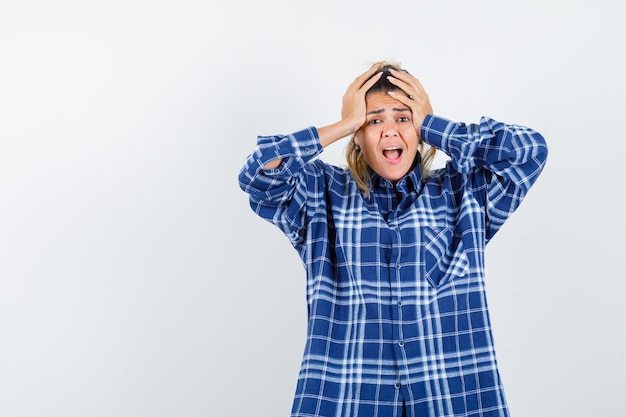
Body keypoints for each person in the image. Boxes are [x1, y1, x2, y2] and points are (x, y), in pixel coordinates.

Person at [238, 61, 548, 417]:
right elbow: (259, 173)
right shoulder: (318, 194)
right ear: (358, 134)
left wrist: (433, 124)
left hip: (454, 400)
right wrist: (343, 124)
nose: (389, 131)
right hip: (345, 401)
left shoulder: (466, 192)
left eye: (403, 118)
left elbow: (529, 150)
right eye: (373, 120)